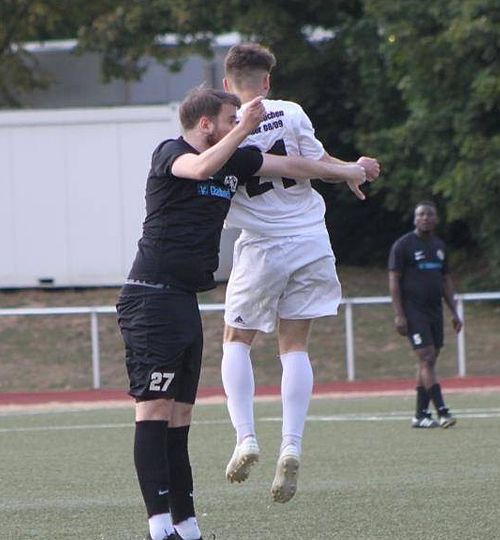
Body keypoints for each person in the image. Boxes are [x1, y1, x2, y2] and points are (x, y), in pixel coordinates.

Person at [118, 86, 367, 540]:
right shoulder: (171, 152)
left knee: (180, 419)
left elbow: (294, 165)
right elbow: (199, 168)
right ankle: (159, 529)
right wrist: (245, 129)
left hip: (184, 300)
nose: (240, 128)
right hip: (150, 297)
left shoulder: (234, 158)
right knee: (154, 410)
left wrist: (348, 169)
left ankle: (187, 528)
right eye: (231, 120)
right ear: (205, 124)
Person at [218, 42, 381, 504]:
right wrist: (353, 170)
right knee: (294, 346)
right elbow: (317, 164)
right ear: (267, 81)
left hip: (262, 246)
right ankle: (291, 445)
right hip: (310, 241)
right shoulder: (289, 111)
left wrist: (348, 171)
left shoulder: (227, 127)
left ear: (227, 84)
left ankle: (246, 437)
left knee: (236, 339)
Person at [388, 201, 462, 429]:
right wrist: (399, 314)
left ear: (436, 219)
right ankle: (442, 411)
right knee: (427, 358)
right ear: (415, 219)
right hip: (413, 311)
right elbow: (394, 281)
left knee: (428, 360)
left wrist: (454, 312)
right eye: (421, 214)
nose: (426, 218)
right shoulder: (403, 246)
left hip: (435, 310)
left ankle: (420, 415)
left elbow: (445, 280)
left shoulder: (439, 246)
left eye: (430, 214)